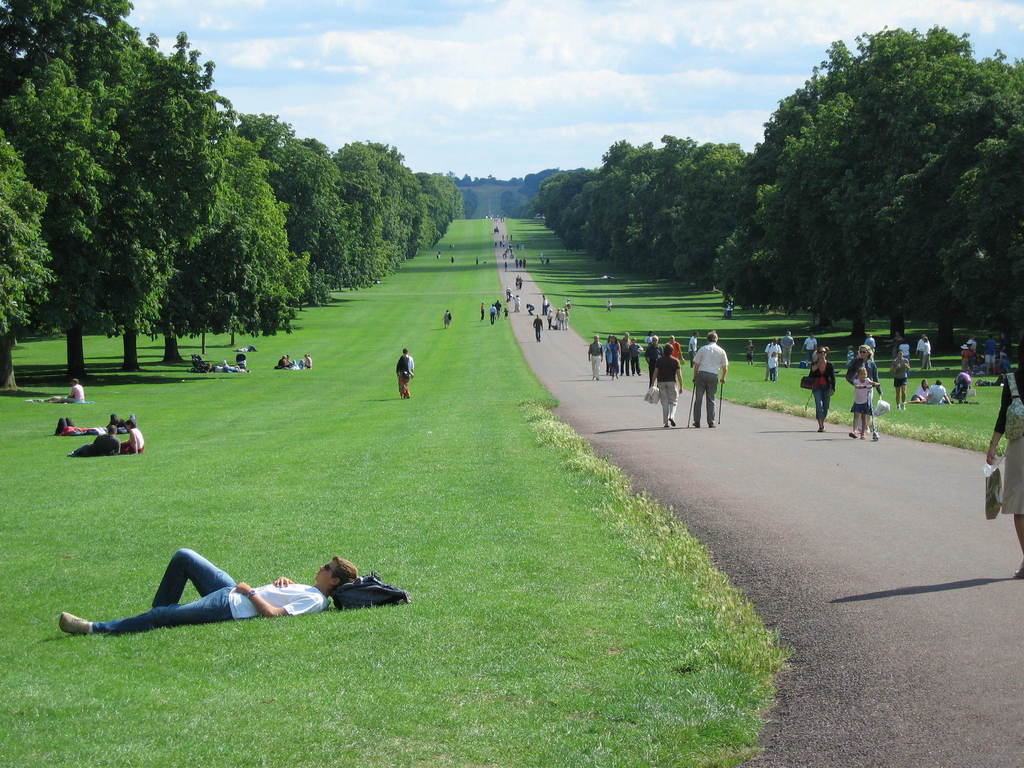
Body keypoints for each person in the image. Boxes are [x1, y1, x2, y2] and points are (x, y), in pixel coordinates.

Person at [58, 548, 358, 635]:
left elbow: (275, 615)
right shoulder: (310, 590)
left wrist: (250, 592)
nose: (321, 567)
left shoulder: (316, 600)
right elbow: (283, 599)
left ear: (334, 581)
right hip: (230, 591)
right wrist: (283, 582)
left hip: (231, 605)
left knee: (163, 614)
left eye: (327, 567)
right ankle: (157, 617)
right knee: (184, 556)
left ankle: (94, 628)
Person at [985, 338, 1024, 577]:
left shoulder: (1012, 380)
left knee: (1020, 505)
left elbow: (1003, 416)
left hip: (1019, 445)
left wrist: (993, 446)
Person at [691, 331, 728, 428]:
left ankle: (697, 421)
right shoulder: (721, 351)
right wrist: (723, 377)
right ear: (716, 339)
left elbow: (696, 365)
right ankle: (711, 421)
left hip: (702, 374)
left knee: (698, 398)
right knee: (711, 399)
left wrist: (695, 376)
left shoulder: (703, 349)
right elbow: (725, 367)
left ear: (708, 339)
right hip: (713, 375)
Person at [845, 345, 881, 441]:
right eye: (860, 352)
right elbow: (848, 374)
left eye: (864, 352)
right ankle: (860, 428)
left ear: (868, 353)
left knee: (868, 406)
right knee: (859, 407)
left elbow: (875, 377)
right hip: (859, 388)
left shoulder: (872, 364)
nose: (862, 353)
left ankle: (864, 428)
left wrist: (879, 390)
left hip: (869, 388)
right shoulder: (856, 362)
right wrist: (854, 383)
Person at [654, 344, 683, 427]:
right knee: (673, 401)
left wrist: (652, 383)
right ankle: (671, 416)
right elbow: (679, 375)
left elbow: (655, 372)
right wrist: (681, 386)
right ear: (672, 351)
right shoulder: (675, 360)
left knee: (664, 402)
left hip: (661, 382)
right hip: (672, 382)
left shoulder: (659, 360)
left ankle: (666, 422)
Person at [809, 347, 836, 432]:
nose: (822, 354)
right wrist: (814, 369)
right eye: (820, 352)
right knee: (819, 405)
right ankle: (821, 426)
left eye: (824, 352)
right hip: (817, 387)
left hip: (826, 387)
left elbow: (833, 377)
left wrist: (833, 388)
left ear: (826, 354)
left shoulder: (829, 365)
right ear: (817, 354)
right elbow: (810, 377)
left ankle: (822, 421)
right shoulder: (814, 364)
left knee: (826, 406)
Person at [849, 367, 880, 439]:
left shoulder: (867, 380)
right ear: (858, 375)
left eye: (864, 374)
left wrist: (876, 384)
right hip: (857, 402)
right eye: (861, 374)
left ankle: (862, 433)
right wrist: (866, 386)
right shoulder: (856, 381)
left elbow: (872, 383)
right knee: (856, 417)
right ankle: (854, 431)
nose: (863, 376)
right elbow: (858, 387)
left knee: (864, 418)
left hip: (864, 402)